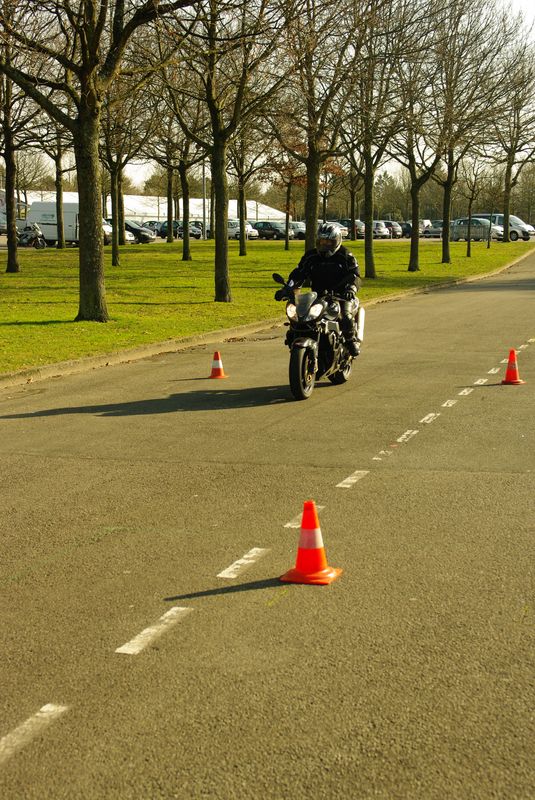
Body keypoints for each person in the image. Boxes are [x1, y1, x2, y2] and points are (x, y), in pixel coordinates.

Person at [275, 222, 361, 356]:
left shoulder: (345, 255)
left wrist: (351, 289)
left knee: (345, 316)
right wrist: (288, 288)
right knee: (299, 319)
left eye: (328, 242)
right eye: (321, 242)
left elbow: (355, 275)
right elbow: (299, 273)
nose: (324, 245)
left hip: (341, 295)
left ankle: (351, 341)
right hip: (317, 296)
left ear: (337, 241)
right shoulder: (311, 256)